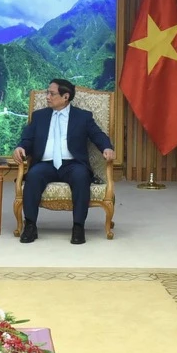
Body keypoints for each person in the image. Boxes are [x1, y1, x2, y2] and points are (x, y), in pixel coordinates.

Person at [14, 78, 117, 245]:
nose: (47, 96)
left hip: (72, 164)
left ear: (65, 97)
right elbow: (27, 139)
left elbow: (98, 135)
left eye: (51, 93)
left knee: (81, 176)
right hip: (45, 164)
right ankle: (30, 225)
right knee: (33, 176)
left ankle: (78, 226)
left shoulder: (82, 117)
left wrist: (107, 147)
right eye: (47, 92)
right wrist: (20, 147)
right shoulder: (39, 116)